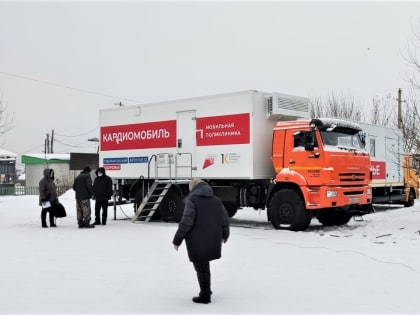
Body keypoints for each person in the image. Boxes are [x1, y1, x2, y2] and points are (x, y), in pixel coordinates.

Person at [172, 179, 230, 304]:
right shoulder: (216, 201)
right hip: (212, 239)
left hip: (197, 240)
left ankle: (205, 295)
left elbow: (186, 222)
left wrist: (177, 240)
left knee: (200, 267)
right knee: (204, 265)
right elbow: (224, 219)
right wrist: (225, 234)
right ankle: (206, 290)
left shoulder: (192, 201)